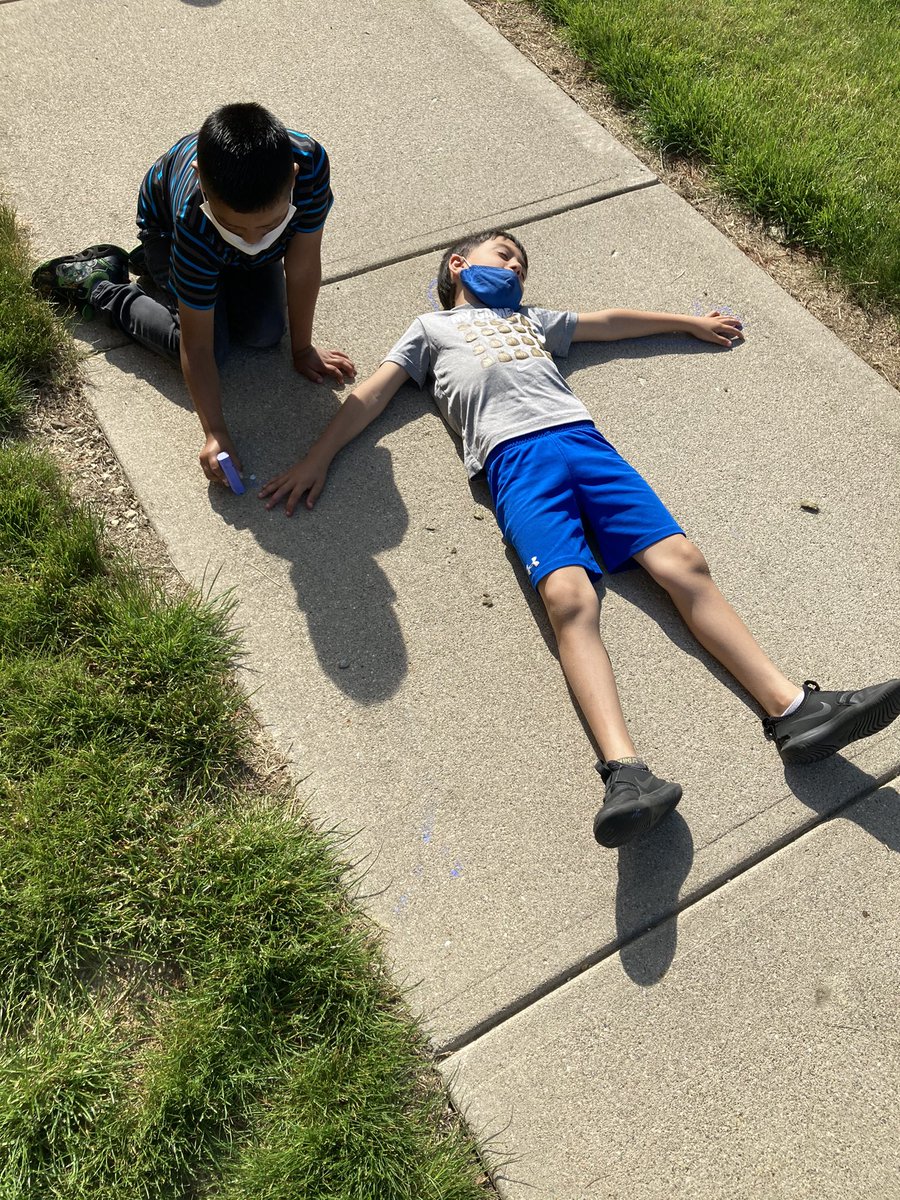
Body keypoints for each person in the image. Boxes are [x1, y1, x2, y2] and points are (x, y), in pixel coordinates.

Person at [259, 229, 900, 848]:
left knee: (683, 564)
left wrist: (686, 322)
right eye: (503, 255)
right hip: (516, 464)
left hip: (586, 445)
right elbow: (370, 396)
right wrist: (319, 457)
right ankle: (625, 774)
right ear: (457, 264)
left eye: (521, 267)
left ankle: (793, 709)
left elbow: (607, 323)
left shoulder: (531, 321)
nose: (512, 269)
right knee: (570, 600)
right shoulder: (432, 330)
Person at [32, 102, 355, 486]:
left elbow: (302, 264)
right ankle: (102, 286)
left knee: (267, 332)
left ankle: (185, 273)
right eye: (235, 226)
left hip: (220, 249)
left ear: (293, 177)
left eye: (267, 225)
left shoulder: (311, 164)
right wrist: (214, 430)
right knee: (214, 349)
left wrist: (302, 348)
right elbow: (197, 346)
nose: (252, 239)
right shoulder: (193, 221)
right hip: (169, 237)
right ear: (201, 179)